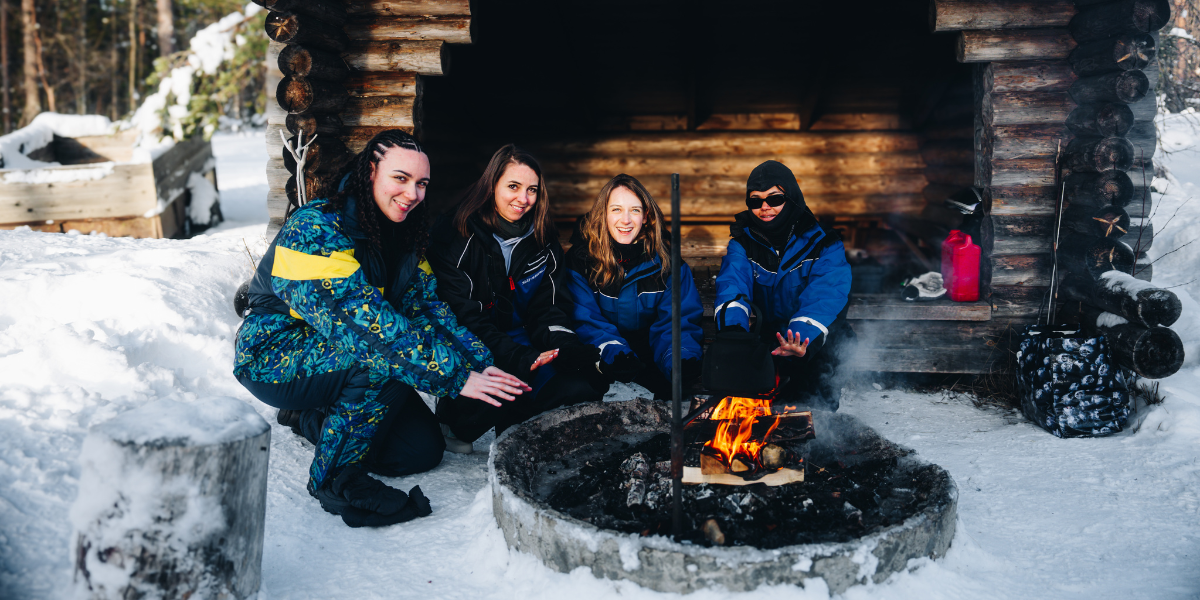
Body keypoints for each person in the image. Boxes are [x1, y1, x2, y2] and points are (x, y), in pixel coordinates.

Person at [234, 130, 529, 527]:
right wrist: (455, 375)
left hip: (342, 355)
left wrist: (479, 362)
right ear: (370, 171)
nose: (413, 193)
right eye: (401, 178)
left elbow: (428, 311)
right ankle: (334, 477)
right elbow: (364, 330)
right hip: (272, 354)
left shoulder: (404, 238)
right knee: (378, 358)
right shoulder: (315, 228)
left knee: (420, 452)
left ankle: (306, 416)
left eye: (422, 184)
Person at [428, 144, 605, 451]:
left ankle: (516, 425)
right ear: (491, 185)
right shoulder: (456, 234)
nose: (523, 200)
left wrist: (564, 347)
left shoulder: (543, 240)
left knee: (582, 385)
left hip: (525, 344)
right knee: (504, 379)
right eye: (513, 186)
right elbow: (462, 317)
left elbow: (549, 308)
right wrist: (518, 358)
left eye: (532, 190)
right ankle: (454, 420)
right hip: (473, 345)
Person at [713, 160, 854, 410]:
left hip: (809, 343)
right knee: (756, 414)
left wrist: (800, 338)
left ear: (791, 197)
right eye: (755, 201)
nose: (764, 207)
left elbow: (826, 295)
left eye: (774, 198)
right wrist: (734, 330)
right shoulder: (743, 242)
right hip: (768, 339)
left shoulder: (824, 243)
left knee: (810, 415)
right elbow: (733, 284)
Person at [564, 174, 704, 398]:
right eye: (616, 210)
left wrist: (679, 357)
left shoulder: (668, 263)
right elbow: (585, 320)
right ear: (604, 214)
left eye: (635, 210)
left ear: (646, 217)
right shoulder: (581, 261)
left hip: (650, 357)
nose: (626, 220)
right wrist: (613, 353)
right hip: (600, 357)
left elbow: (676, 322)